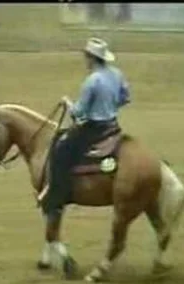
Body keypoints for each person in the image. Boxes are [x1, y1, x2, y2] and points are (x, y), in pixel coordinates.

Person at [38, 37, 131, 221]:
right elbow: (125, 98)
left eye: (86, 57)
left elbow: (79, 113)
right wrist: (110, 107)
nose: (85, 60)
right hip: (112, 126)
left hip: (93, 129)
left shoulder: (92, 81)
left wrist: (67, 103)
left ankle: (55, 197)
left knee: (60, 148)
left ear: (91, 58)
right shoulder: (117, 74)